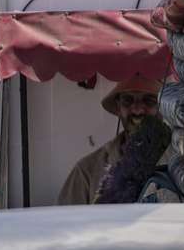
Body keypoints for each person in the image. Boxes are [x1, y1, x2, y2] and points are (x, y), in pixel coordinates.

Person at [57, 75, 163, 205]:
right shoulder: (87, 171)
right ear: (118, 107)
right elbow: (67, 222)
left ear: (162, 107)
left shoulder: (181, 165)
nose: (137, 110)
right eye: (128, 101)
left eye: (149, 101)